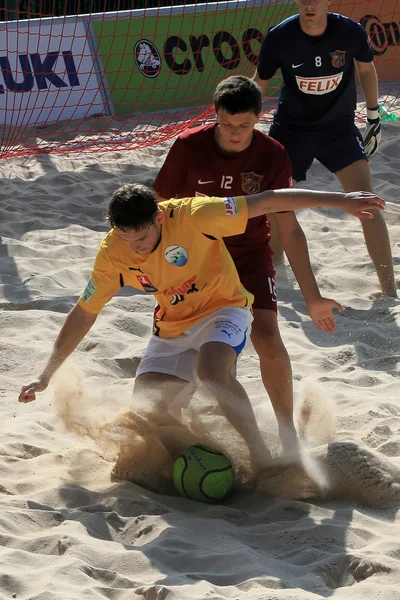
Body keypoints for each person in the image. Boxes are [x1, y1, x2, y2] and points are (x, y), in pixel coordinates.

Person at [18, 183, 384, 485]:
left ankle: (264, 456)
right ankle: (198, 466)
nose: (136, 247)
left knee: (212, 371)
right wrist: (44, 374)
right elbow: (84, 313)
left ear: (159, 217)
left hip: (225, 307)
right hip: (171, 329)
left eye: (142, 236)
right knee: (149, 421)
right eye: (126, 239)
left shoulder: (195, 214)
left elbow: (269, 200)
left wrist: (340, 200)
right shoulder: (113, 253)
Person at [154, 75, 344, 449]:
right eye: (226, 124)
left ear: (259, 116)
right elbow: (159, 212)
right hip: (197, 260)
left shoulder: (272, 154)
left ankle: (287, 433)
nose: (235, 133)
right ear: (216, 115)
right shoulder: (188, 146)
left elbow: (288, 229)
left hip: (249, 256)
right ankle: (192, 429)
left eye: (244, 125)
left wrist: (313, 297)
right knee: (198, 348)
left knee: (267, 336)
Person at [253, 0, 397, 298]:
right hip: (291, 129)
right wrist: (243, 125)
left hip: (339, 128)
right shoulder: (279, 37)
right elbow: (259, 84)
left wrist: (373, 116)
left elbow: (367, 70)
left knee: (367, 201)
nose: (309, 4)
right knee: (277, 203)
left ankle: (389, 290)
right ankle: (276, 276)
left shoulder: (349, 31)